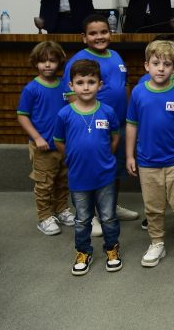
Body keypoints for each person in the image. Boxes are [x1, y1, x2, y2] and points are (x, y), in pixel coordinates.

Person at [62, 14, 139, 229]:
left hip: (118, 124)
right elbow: (70, 97)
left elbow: (122, 86)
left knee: (112, 168)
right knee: (91, 168)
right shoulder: (78, 61)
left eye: (103, 32)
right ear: (83, 37)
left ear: (110, 33)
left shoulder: (115, 55)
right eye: (93, 33)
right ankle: (89, 214)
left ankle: (110, 206)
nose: (99, 36)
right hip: (92, 127)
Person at [125, 40, 174, 268]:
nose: (161, 68)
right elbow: (131, 124)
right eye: (156, 63)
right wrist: (129, 156)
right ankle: (157, 242)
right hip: (147, 161)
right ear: (146, 65)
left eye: (167, 64)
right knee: (153, 206)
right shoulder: (138, 92)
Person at [52, 60, 122, 276]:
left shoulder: (108, 112)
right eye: (80, 82)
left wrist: (104, 156)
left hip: (105, 175)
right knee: (82, 219)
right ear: (71, 85)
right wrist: (73, 156)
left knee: (108, 216)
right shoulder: (65, 114)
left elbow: (114, 137)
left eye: (91, 82)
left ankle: (112, 248)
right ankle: (83, 251)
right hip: (78, 176)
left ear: (99, 85)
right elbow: (59, 141)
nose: (85, 87)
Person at [16, 41, 74, 236]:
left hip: (63, 146)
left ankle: (61, 209)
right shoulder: (31, 89)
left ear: (59, 62)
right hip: (43, 148)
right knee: (44, 183)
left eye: (52, 60)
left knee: (63, 180)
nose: (47, 65)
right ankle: (44, 217)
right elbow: (22, 116)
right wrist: (37, 138)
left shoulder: (65, 87)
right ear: (36, 63)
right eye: (43, 61)